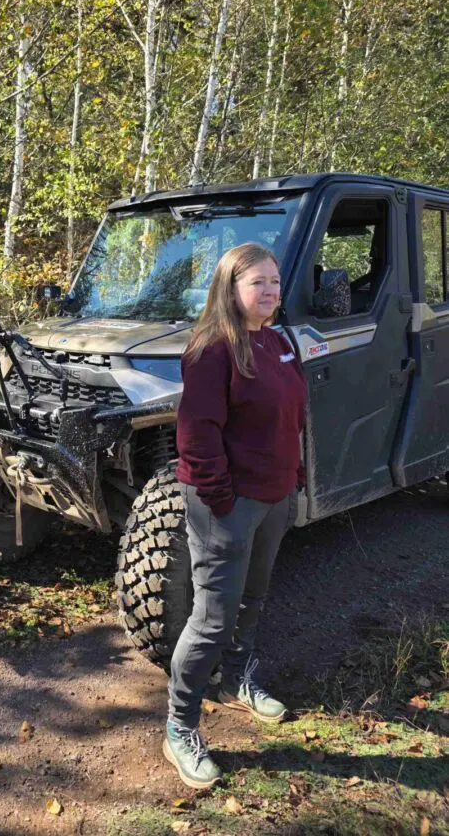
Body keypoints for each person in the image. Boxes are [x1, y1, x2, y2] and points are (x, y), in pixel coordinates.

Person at [163, 242, 307, 790]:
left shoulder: (277, 339)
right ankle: (180, 725)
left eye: (275, 281)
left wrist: (292, 480)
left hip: (274, 496)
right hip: (226, 503)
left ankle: (237, 680)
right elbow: (196, 434)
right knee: (212, 618)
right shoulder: (211, 348)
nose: (270, 291)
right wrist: (223, 497)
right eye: (258, 283)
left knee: (257, 595)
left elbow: (292, 416)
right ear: (230, 287)